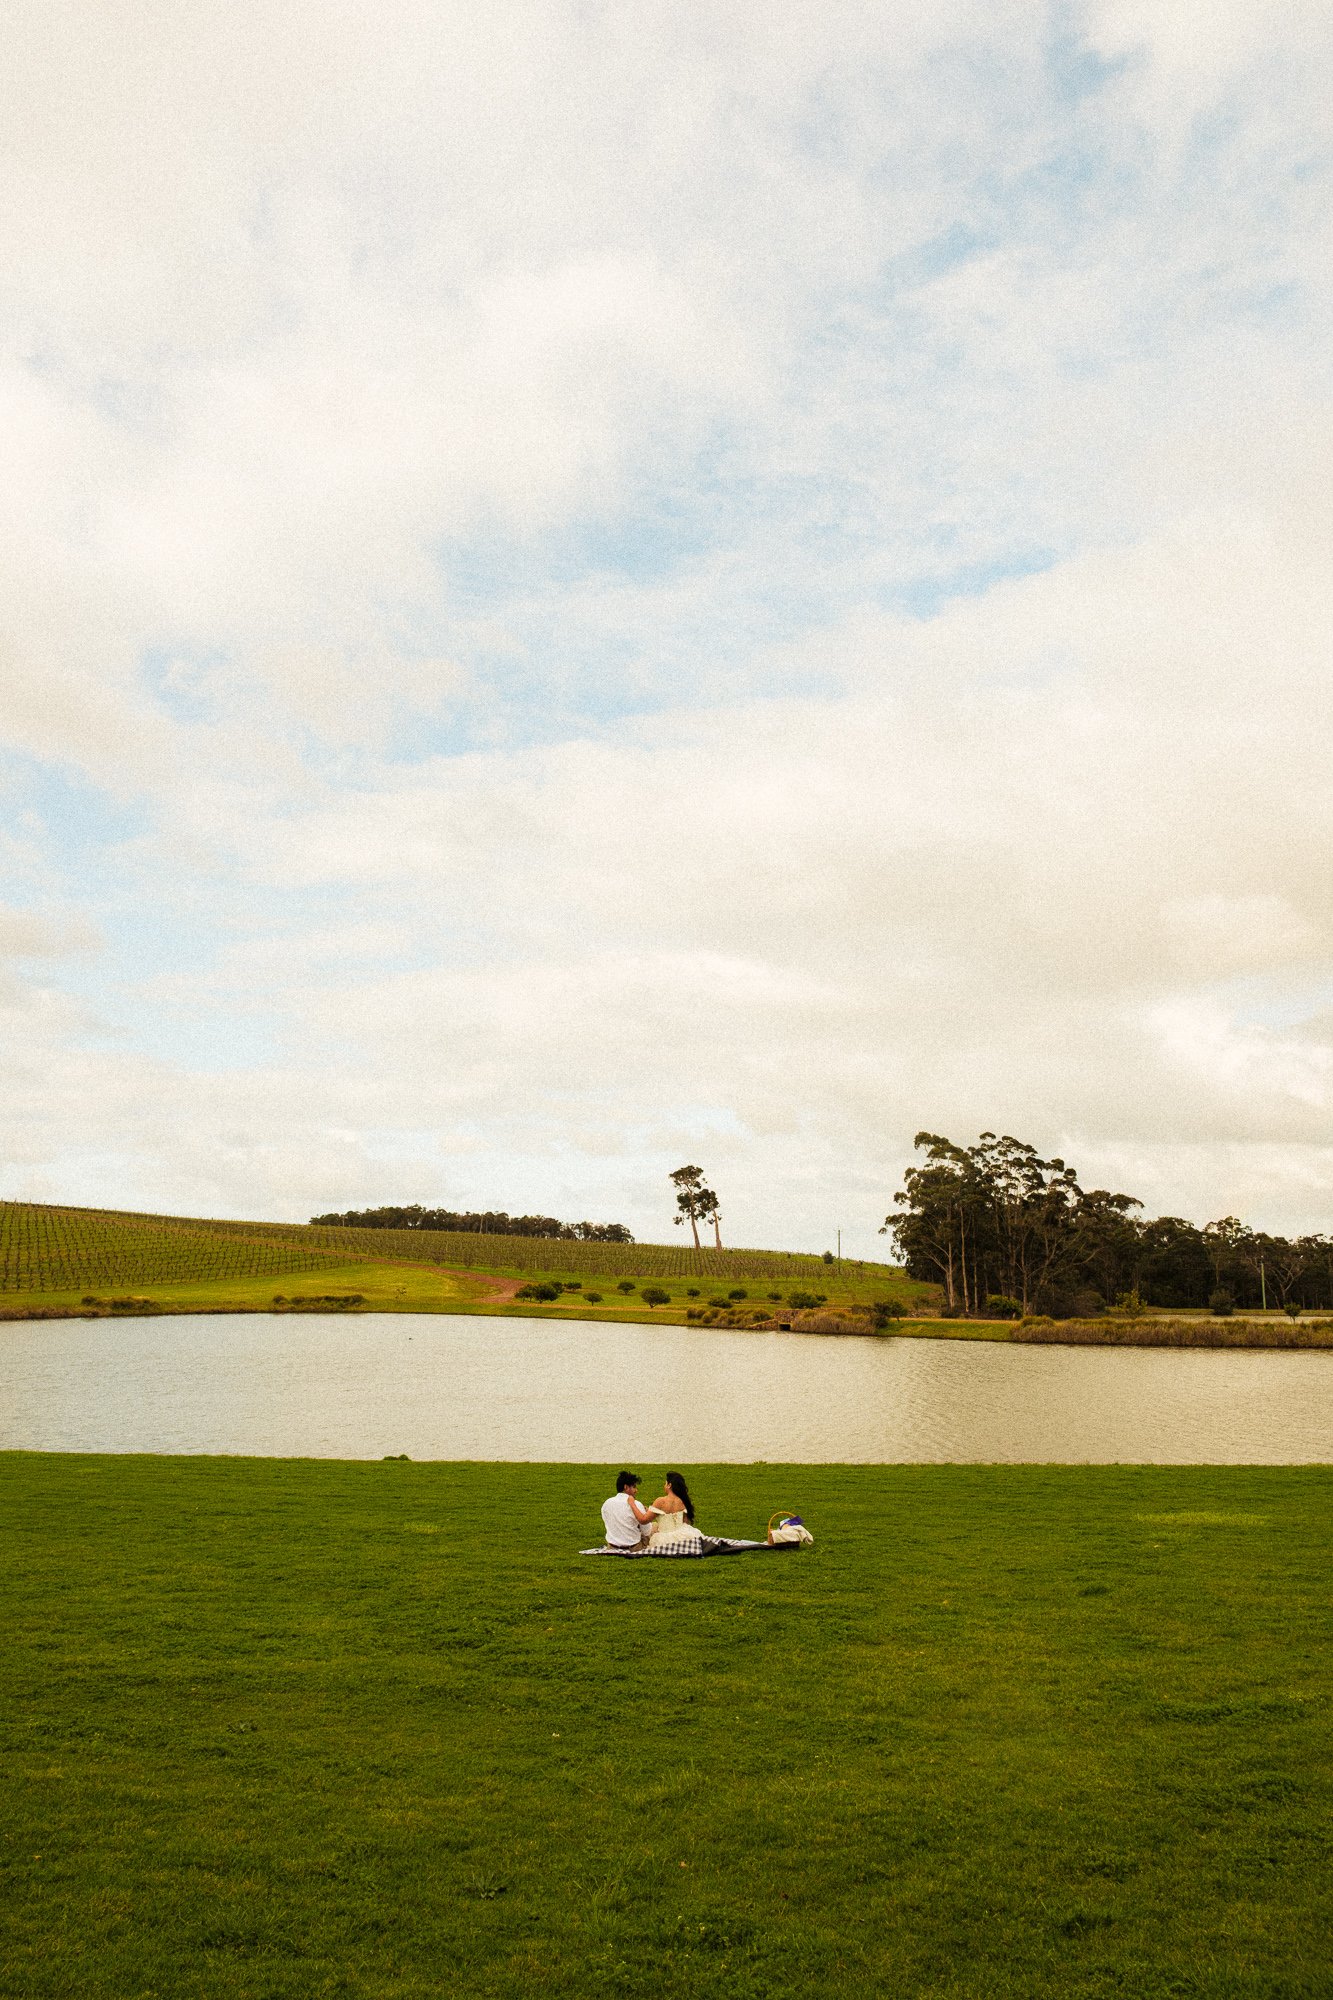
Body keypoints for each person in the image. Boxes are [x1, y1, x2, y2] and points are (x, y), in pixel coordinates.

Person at [645, 1471, 704, 1556]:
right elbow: (685, 1522)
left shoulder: (660, 1501)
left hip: (664, 1538)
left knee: (653, 1527)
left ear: (669, 1485)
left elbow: (644, 1520)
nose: (664, 1486)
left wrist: (633, 1505)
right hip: (682, 1533)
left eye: (665, 1483)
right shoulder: (683, 1501)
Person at [601, 1470, 655, 1552]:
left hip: (612, 1546)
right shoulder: (637, 1504)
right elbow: (647, 1531)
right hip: (634, 1547)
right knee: (656, 1526)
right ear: (626, 1487)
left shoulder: (606, 1503)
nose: (636, 1490)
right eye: (634, 1487)